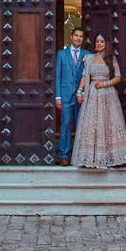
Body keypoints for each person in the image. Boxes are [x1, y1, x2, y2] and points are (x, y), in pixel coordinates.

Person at [71, 33, 126, 171]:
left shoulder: (111, 58)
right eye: (97, 41)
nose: (99, 44)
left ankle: (110, 158)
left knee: (108, 124)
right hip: (92, 96)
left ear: (106, 44)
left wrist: (105, 84)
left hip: (108, 96)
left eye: (102, 41)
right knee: (92, 124)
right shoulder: (89, 58)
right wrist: (80, 92)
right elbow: (84, 76)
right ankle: (91, 158)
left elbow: (118, 77)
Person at [54, 25, 87, 164]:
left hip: (81, 96)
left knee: (82, 125)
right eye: (76, 35)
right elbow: (58, 76)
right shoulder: (62, 53)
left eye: (80, 36)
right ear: (71, 37)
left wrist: (84, 93)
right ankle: (64, 155)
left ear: (82, 39)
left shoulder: (87, 54)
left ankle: (80, 155)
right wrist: (58, 96)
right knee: (66, 124)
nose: (78, 38)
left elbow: (88, 76)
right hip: (66, 95)